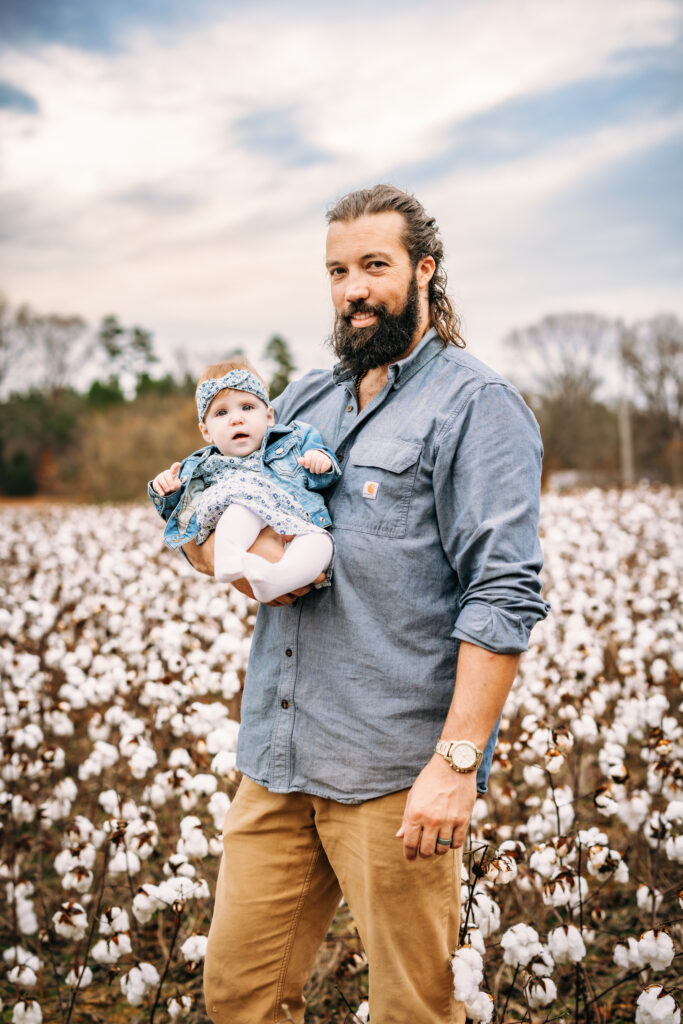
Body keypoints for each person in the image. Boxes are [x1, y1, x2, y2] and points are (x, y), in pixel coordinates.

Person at [187, 185, 550, 1024]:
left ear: (423, 270)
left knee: (411, 1011)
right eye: (337, 270)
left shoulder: (475, 406)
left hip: (393, 778)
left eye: (373, 267)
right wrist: (234, 558)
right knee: (238, 998)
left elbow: (503, 592)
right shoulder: (304, 399)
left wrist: (455, 766)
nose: (352, 289)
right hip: (276, 760)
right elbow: (212, 511)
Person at [148, 361, 340, 603]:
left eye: (247, 407)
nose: (236, 419)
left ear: (269, 416)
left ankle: (277, 579)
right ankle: (230, 559)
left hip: (299, 525)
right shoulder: (203, 466)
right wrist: (167, 490)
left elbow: (322, 478)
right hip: (248, 516)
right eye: (221, 413)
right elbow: (184, 515)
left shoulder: (294, 439)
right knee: (244, 505)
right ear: (206, 431)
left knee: (321, 544)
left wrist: (320, 460)